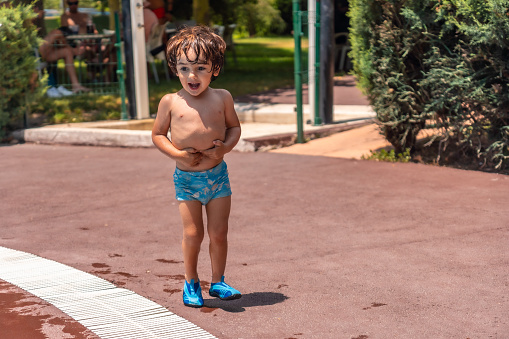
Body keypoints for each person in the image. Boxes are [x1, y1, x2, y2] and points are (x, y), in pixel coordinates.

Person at [152, 26, 242, 308]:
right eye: (184, 68)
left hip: (218, 177)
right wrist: (178, 154)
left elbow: (234, 127)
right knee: (193, 234)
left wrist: (225, 147)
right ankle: (190, 281)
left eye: (201, 68)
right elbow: (157, 135)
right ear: (174, 68)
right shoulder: (170, 102)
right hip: (188, 179)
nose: (192, 76)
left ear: (214, 69)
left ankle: (218, 281)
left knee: (219, 233)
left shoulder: (223, 98)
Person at [33, 6, 90, 94]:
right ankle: (74, 51)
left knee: (67, 51)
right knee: (59, 37)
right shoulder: (57, 32)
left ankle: (76, 85)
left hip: (40, 53)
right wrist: (35, 15)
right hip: (34, 52)